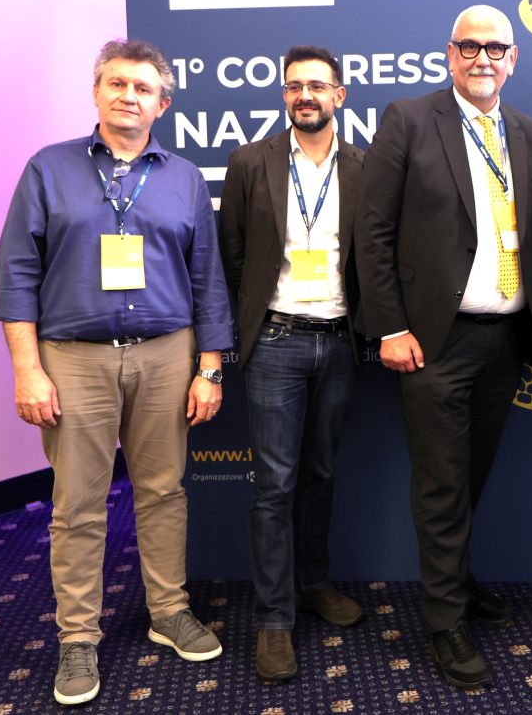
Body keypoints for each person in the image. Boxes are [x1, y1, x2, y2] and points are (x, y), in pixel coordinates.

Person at [0, 39, 231, 706]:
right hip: (75, 358)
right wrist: (27, 370)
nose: (129, 96)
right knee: (77, 504)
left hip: (166, 355)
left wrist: (210, 367)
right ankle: (77, 638)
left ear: (164, 103)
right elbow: (16, 272)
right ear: (96, 92)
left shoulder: (184, 178)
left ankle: (169, 611)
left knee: (162, 491)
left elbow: (207, 276)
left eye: (143, 88)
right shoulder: (49, 168)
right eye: (117, 84)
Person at [355, 5, 532, 689]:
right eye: (470, 46)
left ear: (513, 59)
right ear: (449, 53)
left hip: (507, 339)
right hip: (435, 341)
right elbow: (372, 232)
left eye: (495, 48)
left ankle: (457, 581)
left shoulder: (527, 132)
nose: (482, 58)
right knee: (441, 484)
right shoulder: (410, 120)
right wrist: (390, 327)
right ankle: (445, 623)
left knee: (471, 476)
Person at [218, 45, 366, 682]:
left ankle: (312, 583)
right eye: (295, 86)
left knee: (321, 472)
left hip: (340, 340)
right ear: (284, 95)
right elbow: (231, 256)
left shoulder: (364, 166)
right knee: (274, 485)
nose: (306, 95)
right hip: (276, 341)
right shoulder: (250, 161)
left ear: (339, 95)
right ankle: (274, 618)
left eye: (318, 86)